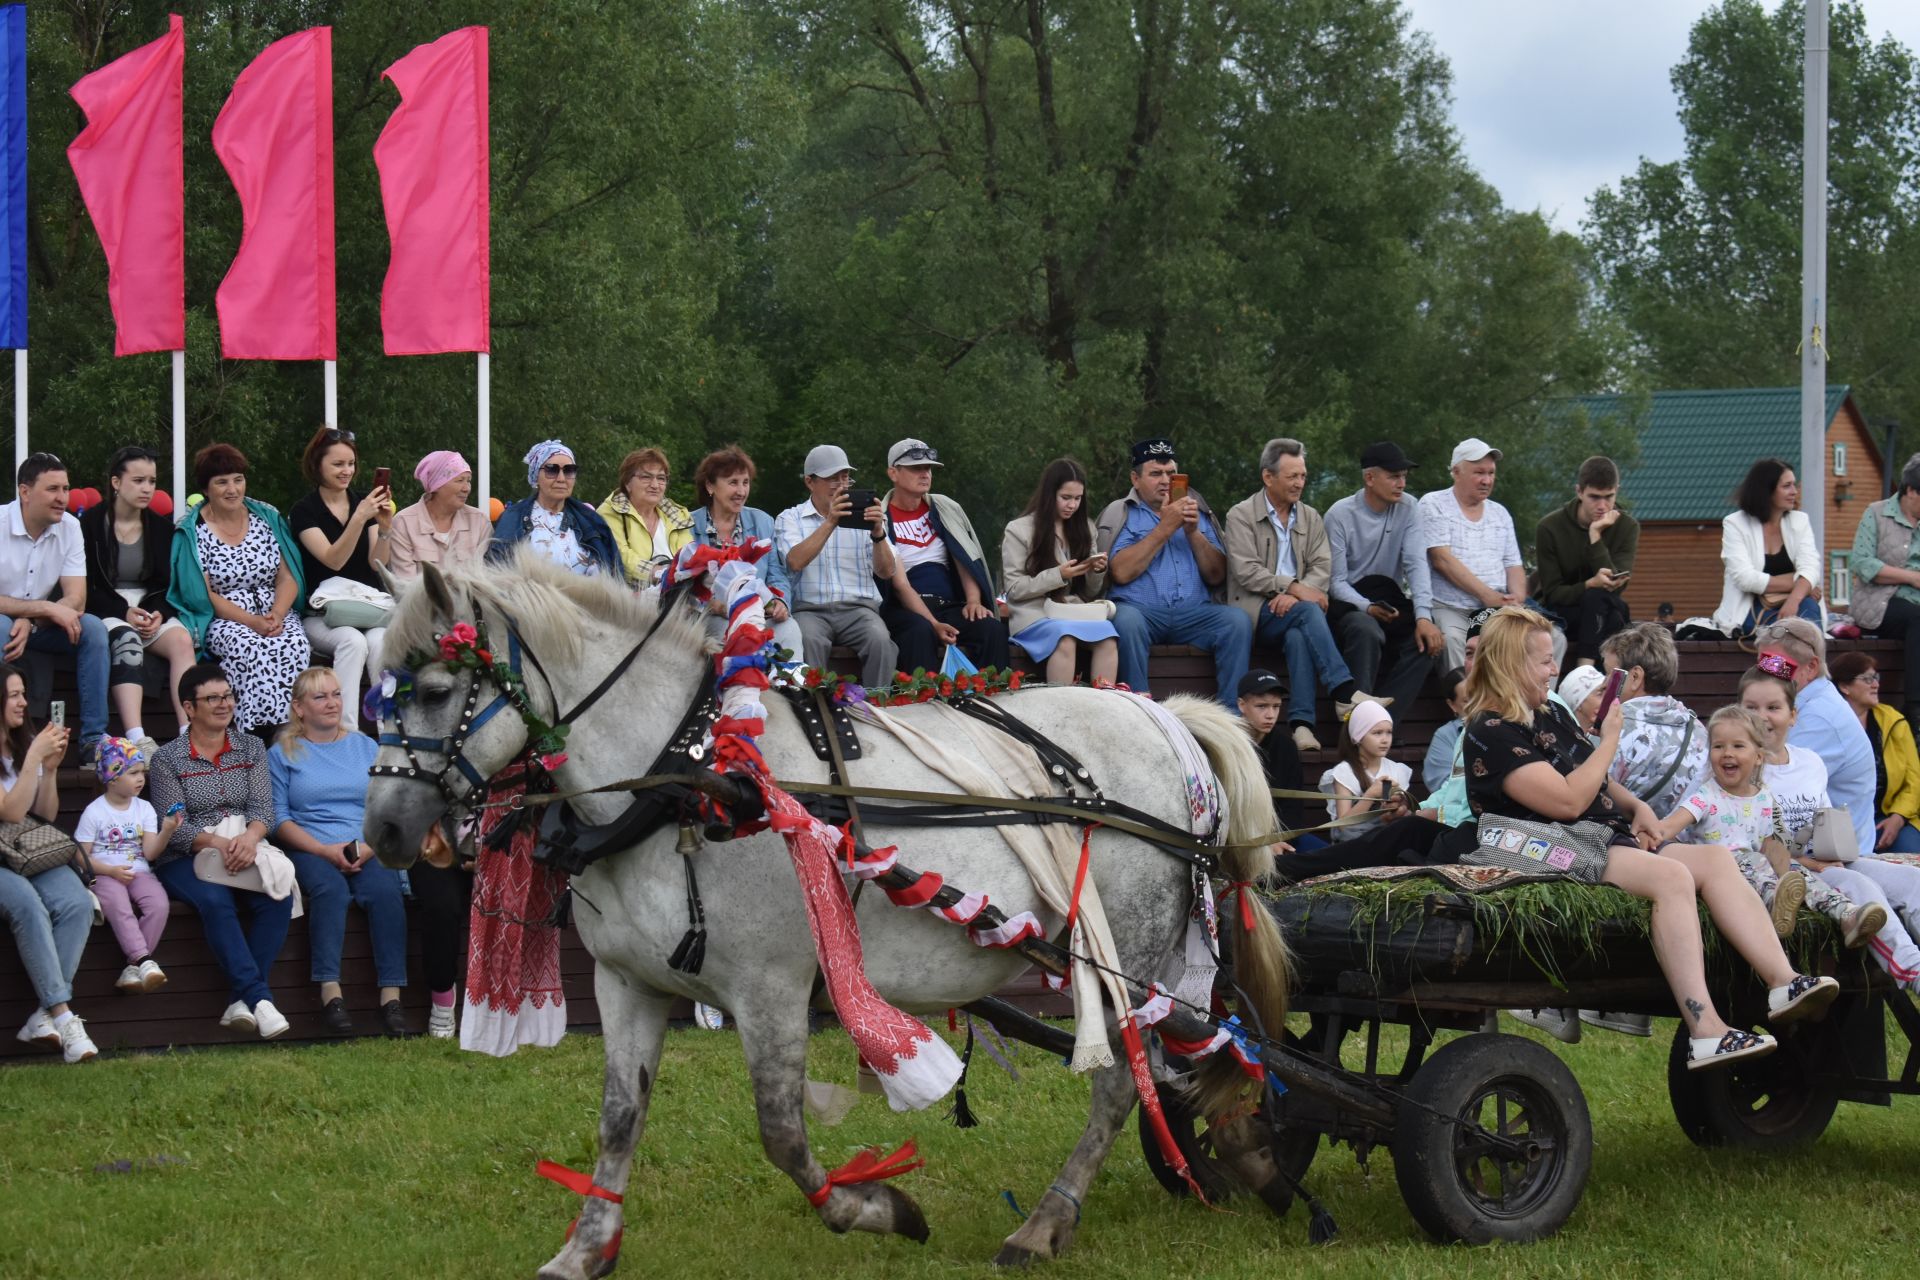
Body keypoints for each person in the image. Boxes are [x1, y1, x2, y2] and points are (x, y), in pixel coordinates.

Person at [1460, 606, 1836, 1070]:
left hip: (1597, 835)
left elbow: (1592, 779)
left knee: (1716, 859)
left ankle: (1783, 982)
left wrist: (1637, 807)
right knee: (1672, 877)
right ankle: (1706, 1030)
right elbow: (1567, 801)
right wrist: (1611, 741)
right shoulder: (1490, 730)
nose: (1553, 669)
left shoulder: (1546, 715)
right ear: (1511, 663)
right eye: (1543, 660)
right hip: (1553, 845)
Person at [1741, 666, 1920, 992]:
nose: (1761, 717)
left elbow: (1823, 819)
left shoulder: (1809, 761)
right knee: (1858, 886)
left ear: (1793, 716)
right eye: (1750, 708)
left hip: (1826, 858)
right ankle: (1910, 969)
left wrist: (1834, 850)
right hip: (1785, 870)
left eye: (1773, 707)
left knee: (1910, 881)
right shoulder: (1738, 767)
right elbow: (1744, 841)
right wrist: (1815, 863)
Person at [1651, 706, 1883, 944]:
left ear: (1758, 757)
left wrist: (1796, 867)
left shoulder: (1765, 798)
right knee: (1754, 862)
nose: (1727, 753)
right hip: (1722, 872)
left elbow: (1774, 845)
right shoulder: (1705, 796)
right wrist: (1651, 833)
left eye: (1738, 746)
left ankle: (1846, 914)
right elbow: (1671, 826)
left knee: (1793, 870)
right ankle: (1777, 905)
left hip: (1757, 868)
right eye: (1718, 746)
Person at [146, 663, 293, 1039]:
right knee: (215, 901)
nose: (224, 704)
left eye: (228, 696)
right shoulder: (166, 759)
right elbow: (173, 824)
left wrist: (248, 839)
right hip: (186, 855)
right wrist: (218, 843)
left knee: (278, 898)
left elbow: (263, 809)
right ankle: (259, 999)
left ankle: (240, 1002)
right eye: (213, 698)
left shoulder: (251, 746)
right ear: (189, 708)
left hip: (244, 845)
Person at [270, 667, 409, 1036]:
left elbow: (386, 805)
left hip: (366, 844)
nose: (332, 703)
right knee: (330, 892)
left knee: (385, 893)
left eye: (336, 694)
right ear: (299, 708)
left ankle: (391, 998)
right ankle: (331, 994)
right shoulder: (281, 753)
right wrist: (323, 851)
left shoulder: (366, 746)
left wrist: (367, 846)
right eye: (320, 697)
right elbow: (278, 818)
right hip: (310, 847)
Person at [1224, 438, 1385, 750]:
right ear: (1268, 477)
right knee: (1308, 612)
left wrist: (1296, 595)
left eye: (1302, 476)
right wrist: (1293, 587)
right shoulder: (1240, 515)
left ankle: (1301, 727)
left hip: (1296, 611)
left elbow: (1322, 565)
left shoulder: (1310, 516)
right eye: (1292, 476)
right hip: (1255, 611)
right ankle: (1344, 692)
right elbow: (1246, 570)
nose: (1299, 483)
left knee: (1300, 633)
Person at [1096, 438, 1252, 708]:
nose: (1165, 481)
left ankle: (1231, 716)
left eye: (1171, 473)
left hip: (1194, 615)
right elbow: (1119, 572)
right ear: (1135, 478)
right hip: (1141, 612)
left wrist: (1193, 533)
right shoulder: (1123, 512)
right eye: (1156, 474)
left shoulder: (1199, 512)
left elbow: (1217, 575)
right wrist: (1165, 527)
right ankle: (1140, 708)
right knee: (1126, 621)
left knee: (1236, 621)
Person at [168, 444, 311, 736]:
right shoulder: (193, 529)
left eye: (238, 479)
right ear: (206, 489)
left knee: (295, 645)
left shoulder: (266, 518)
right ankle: (257, 738)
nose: (232, 489)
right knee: (250, 648)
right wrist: (252, 622)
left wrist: (277, 615)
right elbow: (204, 594)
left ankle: (297, 735)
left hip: (274, 610)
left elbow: (287, 578)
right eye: (221, 482)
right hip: (225, 617)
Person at [0, 662, 97, 1063]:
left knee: (77, 902)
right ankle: (62, 1014)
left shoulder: (25, 743)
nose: (24, 702)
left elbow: (44, 813)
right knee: (27, 905)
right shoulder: (28, 751)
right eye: (14, 695)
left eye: (24, 693)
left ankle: (42, 1015)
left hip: (28, 850)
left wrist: (50, 770)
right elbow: (9, 811)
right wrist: (33, 760)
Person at [0, 451, 112, 761]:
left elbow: (75, 598)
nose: (63, 497)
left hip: (36, 627)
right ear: (25, 491)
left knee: (92, 628)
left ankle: (93, 741)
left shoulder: (70, 527)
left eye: (65, 488)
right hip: (3, 624)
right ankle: (4, 737)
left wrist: (33, 619)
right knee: (0, 627)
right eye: (53, 489)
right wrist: (44, 609)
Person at [81, 445, 196, 736]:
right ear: (116, 482)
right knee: (127, 640)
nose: (147, 489)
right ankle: (137, 736)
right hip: (106, 609)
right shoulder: (89, 525)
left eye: (152, 481)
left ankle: (189, 731)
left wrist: (160, 613)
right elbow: (85, 586)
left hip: (148, 607)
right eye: (139, 480)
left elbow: (168, 586)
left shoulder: (161, 529)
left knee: (182, 640)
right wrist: (123, 612)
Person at [1420, 438, 1562, 670]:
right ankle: (1465, 705)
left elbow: (1513, 564)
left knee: (1553, 638)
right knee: (1455, 641)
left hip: (1498, 607)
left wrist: (1516, 598)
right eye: (1479, 473)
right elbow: (1441, 560)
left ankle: (1540, 704)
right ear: (1456, 472)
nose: (1487, 480)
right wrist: (1487, 596)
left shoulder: (1500, 513)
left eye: (1491, 473)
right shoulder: (1434, 504)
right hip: (1451, 607)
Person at [1323, 440, 1444, 708]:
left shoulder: (1409, 507)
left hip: (1389, 599)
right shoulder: (1339, 514)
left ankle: (1382, 720)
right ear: (1369, 478)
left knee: (1429, 641)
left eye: (1403, 476)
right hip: (1350, 606)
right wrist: (1367, 608)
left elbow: (1416, 565)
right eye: (1393, 476)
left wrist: (1425, 617)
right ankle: (1356, 716)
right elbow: (1336, 582)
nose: (1401, 483)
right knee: (1366, 630)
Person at [289, 427, 393, 733]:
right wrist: (359, 518)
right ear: (317, 465)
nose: (346, 471)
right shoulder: (304, 511)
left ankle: (391, 732)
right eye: (338, 464)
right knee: (352, 641)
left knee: (379, 641)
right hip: (322, 614)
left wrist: (384, 527)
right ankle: (345, 731)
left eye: (350, 463)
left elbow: (378, 563)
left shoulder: (364, 503)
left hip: (366, 609)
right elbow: (333, 559)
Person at [878, 438, 1010, 675]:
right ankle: (922, 704)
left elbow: (965, 557)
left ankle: (994, 699)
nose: (925, 474)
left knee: (992, 629)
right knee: (919, 631)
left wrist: (973, 601)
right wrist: (933, 624)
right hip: (905, 608)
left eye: (928, 468)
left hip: (948, 604)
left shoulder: (945, 507)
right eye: (915, 468)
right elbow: (900, 586)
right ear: (893, 473)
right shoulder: (881, 518)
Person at [773, 444, 899, 688]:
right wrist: (831, 522)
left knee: (881, 641)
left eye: (845, 477)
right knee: (807, 640)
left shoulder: (869, 517)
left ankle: (878, 709)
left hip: (859, 610)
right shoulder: (790, 518)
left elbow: (886, 572)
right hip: (809, 609)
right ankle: (817, 715)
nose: (841, 485)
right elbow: (795, 561)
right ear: (810, 482)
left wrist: (878, 534)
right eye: (832, 479)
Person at [1754, 617, 1875, 857]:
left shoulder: (1819, 719)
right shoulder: (1806, 704)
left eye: (1775, 666)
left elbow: (1769, 784)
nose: (1764, 676)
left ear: (1811, 667)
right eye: (1761, 666)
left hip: (1836, 859)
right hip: (1815, 849)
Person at [75, 736, 179, 993]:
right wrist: (109, 870)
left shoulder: (144, 808)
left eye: (142, 772)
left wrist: (166, 830)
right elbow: (80, 855)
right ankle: (144, 960)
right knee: (118, 905)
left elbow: (151, 853)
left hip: (139, 872)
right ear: (112, 777)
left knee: (159, 905)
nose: (141, 778)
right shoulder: (95, 811)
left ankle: (134, 965)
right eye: (133, 773)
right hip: (105, 874)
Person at [1001, 458, 1118, 686]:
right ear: (1049, 494)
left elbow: (1092, 592)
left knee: (1108, 636)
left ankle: (1104, 706)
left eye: (1077, 498)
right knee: (1065, 638)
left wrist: (1097, 571)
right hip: (1034, 614)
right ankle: (1063, 712)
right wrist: (1059, 575)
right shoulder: (1018, 530)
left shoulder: (1086, 527)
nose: (1072, 505)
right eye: (1065, 498)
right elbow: (1014, 590)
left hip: (1072, 611)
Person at [686, 446, 804, 657]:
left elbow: (777, 573)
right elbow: (683, 583)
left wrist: (780, 601)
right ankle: (740, 690)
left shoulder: (763, 522)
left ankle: (789, 690)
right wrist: (713, 605)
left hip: (760, 613)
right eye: (733, 483)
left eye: (745, 482)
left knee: (789, 631)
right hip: (713, 618)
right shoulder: (688, 525)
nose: (741, 491)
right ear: (710, 486)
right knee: (736, 636)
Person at [1533, 456, 1637, 667]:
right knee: (1608, 611)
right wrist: (1589, 584)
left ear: (1617, 489)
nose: (1603, 505)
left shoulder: (1627, 526)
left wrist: (1595, 535)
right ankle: (1594, 680)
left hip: (1603, 610)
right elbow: (1553, 593)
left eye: (1609, 497)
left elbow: (1615, 588)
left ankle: (1584, 673)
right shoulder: (1550, 527)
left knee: (1602, 602)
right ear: (1579, 491)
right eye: (1594, 497)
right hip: (1562, 613)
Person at [1600, 622, 1710, 821]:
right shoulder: (1697, 728)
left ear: (1635, 677)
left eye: (1609, 673)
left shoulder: (1617, 729)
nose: (1604, 683)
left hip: (1632, 843)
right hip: (1689, 843)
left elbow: (1593, 795)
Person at [1847, 453, 1920, 724]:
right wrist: (1911, 577)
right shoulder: (1877, 513)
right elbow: (1863, 564)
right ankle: (1915, 711)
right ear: (1911, 491)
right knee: (1917, 618)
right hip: (1880, 601)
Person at [1713, 457, 1822, 636]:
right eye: (1786, 486)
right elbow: (1745, 578)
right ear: (1766, 490)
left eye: (1794, 485)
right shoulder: (1735, 523)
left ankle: (1794, 664)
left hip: (1795, 604)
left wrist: (1794, 598)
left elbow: (1810, 568)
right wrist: (1800, 584)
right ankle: (1786, 664)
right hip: (1749, 609)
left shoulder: (1800, 521)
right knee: (1789, 633)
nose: (1794, 491)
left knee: (1805, 622)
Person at [1830, 650, 1920, 852]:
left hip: (1889, 816)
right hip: (1843, 821)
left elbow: (1914, 779)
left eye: (1876, 677)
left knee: (1913, 858)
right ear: (1845, 686)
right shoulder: (1830, 723)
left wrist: (1898, 817)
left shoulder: (1894, 721)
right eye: (1867, 679)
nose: (1876, 684)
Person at [490, 439, 621, 576]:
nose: (561, 478)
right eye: (552, 470)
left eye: (569, 470)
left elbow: (614, 575)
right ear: (536, 477)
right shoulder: (513, 518)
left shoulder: (591, 521)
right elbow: (496, 572)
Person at [1235, 670, 1324, 854]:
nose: (1270, 715)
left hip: (1281, 837)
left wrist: (1278, 840)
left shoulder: (1286, 747)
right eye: (1262, 706)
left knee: (1332, 858)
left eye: (1276, 706)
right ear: (1242, 705)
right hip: (1237, 841)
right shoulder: (1227, 743)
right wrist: (1262, 843)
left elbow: (1293, 804)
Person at [1318, 701, 1431, 843]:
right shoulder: (1345, 772)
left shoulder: (1396, 769)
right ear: (1358, 737)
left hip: (1386, 836)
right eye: (1377, 733)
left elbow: (1400, 815)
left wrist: (1393, 806)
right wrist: (1371, 794)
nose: (1385, 740)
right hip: (1355, 841)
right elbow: (1343, 825)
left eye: (1389, 732)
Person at [386, 451, 491, 581]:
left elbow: (487, 579)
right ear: (436, 485)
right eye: (459, 480)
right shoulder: (403, 523)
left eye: (468, 481)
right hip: (421, 601)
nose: (467, 488)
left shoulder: (479, 522)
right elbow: (405, 585)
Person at [598, 447, 694, 588]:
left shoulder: (675, 514)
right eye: (646, 477)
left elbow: (690, 556)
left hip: (677, 595)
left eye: (661, 478)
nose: (655, 485)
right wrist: (660, 573)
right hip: (628, 599)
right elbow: (621, 556)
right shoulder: (610, 512)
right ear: (627, 483)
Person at [1421, 666, 1467, 793]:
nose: (1476, 704)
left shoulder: (1500, 725)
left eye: (1480, 696)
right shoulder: (1445, 736)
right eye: (1467, 701)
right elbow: (1444, 788)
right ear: (1452, 705)